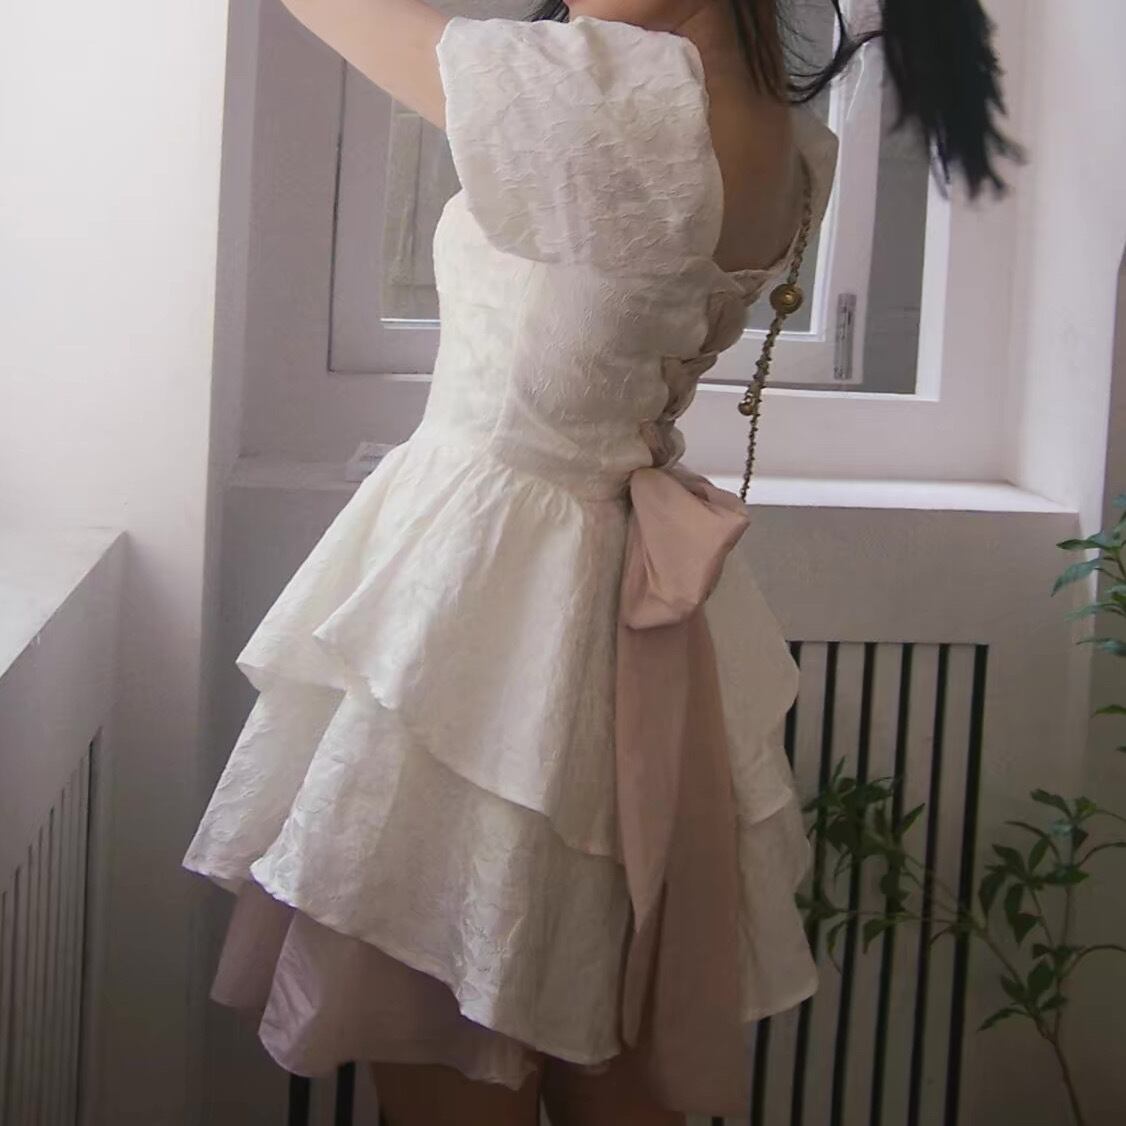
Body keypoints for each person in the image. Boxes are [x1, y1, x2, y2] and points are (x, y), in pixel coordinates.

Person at [183, 1, 1016, 1123]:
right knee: (614, 1059)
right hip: (622, 625)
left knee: (449, 1063)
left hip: (488, 632)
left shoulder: (617, 99)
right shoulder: (773, 134)